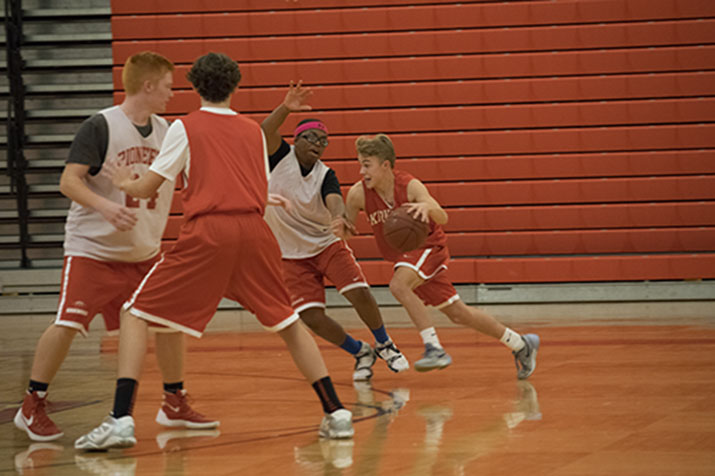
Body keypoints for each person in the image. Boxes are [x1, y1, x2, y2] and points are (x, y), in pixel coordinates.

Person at [74, 52, 353, 451]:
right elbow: (256, 186)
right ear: (235, 86)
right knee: (288, 320)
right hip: (255, 231)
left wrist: (125, 181)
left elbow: (150, 187)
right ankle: (336, 412)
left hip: (210, 232)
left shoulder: (184, 127)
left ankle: (120, 419)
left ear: (194, 85)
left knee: (134, 313)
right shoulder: (253, 132)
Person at [14, 51, 217, 443]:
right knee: (69, 323)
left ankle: (174, 401)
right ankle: (32, 402)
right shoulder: (101, 126)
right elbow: (69, 181)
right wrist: (107, 206)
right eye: (168, 86)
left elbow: (200, 175)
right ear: (148, 85)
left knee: (169, 322)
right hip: (93, 249)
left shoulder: (170, 131)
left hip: (144, 252)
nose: (172, 94)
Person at [335, 133, 540, 378]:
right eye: (360, 164)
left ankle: (434, 348)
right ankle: (520, 344)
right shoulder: (358, 194)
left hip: (428, 247)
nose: (361, 171)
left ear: (385, 165)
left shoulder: (409, 186)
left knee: (399, 286)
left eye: (367, 165)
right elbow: (346, 231)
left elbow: (443, 217)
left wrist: (426, 207)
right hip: (406, 258)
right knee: (458, 313)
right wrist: (342, 229)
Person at [261, 81, 409, 381]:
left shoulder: (325, 174)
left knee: (359, 292)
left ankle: (384, 343)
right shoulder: (279, 157)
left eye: (323, 141)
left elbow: (335, 201)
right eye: (312, 137)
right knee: (310, 317)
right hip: (290, 254)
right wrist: (286, 107)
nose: (318, 143)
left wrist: (340, 218)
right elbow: (264, 131)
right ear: (297, 139)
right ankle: (359, 351)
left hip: (325, 243)